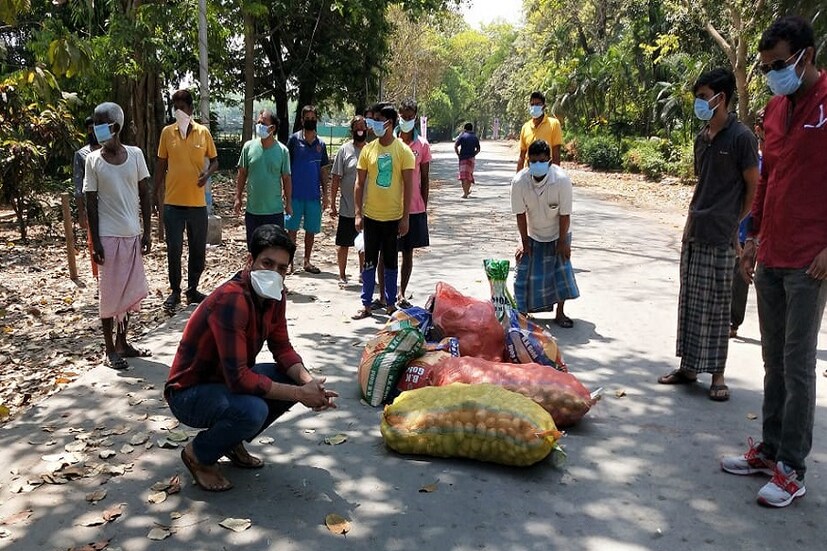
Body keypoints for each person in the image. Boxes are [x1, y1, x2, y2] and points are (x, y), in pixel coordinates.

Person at [721, 16, 827, 508]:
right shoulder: (773, 109)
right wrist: (752, 235)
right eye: (766, 67)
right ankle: (770, 450)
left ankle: (793, 468)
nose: (771, 73)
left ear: (806, 55)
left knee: (798, 364)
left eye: (778, 64)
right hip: (773, 252)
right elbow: (767, 179)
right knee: (772, 360)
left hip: (811, 260)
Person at [165, 224, 338, 492]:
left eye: (282, 268)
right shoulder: (231, 300)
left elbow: (281, 347)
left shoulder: (276, 294)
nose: (274, 273)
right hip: (188, 394)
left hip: (222, 383)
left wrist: (309, 383)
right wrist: (300, 394)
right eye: (267, 263)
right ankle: (198, 454)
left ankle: (229, 441)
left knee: (283, 376)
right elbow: (239, 379)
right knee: (253, 410)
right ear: (250, 261)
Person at [658, 68, 759, 402]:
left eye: (703, 96)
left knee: (716, 307)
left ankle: (717, 376)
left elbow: (752, 188)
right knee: (690, 302)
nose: (699, 103)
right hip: (694, 229)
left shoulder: (742, 138)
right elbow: (703, 182)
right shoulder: (702, 138)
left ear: (721, 98)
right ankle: (688, 368)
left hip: (720, 233)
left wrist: (734, 222)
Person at [83, 102, 152, 370]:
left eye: (101, 124)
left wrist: (146, 230)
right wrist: (96, 242)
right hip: (108, 238)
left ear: (115, 126)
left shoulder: (135, 155)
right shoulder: (93, 160)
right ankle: (110, 349)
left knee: (128, 293)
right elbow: (91, 203)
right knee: (109, 295)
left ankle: (123, 342)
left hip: (132, 235)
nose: (96, 129)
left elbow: (144, 194)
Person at [155, 89, 218, 310]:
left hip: (197, 204)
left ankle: (193, 289)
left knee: (197, 248)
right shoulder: (167, 133)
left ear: (191, 109)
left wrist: (207, 174)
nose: (179, 111)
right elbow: (161, 164)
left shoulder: (203, 133)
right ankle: (175, 291)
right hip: (173, 202)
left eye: (183, 107)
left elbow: (215, 161)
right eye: (176, 108)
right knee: (174, 248)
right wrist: (155, 193)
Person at [352, 102, 414, 319]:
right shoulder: (368, 150)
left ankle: (389, 303)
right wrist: (358, 213)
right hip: (371, 217)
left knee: (390, 262)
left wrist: (405, 218)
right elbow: (359, 183)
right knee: (369, 262)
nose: (373, 124)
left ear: (389, 123)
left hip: (393, 218)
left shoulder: (404, 152)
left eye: (377, 120)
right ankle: (366, 304)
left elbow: (409, 186)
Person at [511, 140, 578, 327]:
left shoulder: (562, 181)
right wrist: (523, 242)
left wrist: (563, 242)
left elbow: (565, 215)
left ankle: (560, 313)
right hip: (532, 232)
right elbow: (520, 214)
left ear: (549, 161)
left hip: (559, 231)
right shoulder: (519, 182)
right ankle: (522, 313)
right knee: (523, 273)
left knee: (560, 272)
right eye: (533, 161)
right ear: (527, 161)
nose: (537, 165)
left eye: (541, 161)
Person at [234, 109, 292, 247]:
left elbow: (286, 178)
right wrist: (238, 197)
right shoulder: (248, 147)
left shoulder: (283, 151)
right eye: (258, 122)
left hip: (274, 211)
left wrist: (288, 203)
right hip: (253, 211)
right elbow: (242, 173)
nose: (259, 125)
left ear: (272, 128)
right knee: (254, 249)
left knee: (273, 248)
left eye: (263, 122)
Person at [394, 98, 431, 306]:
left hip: (414, 207)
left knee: (407, 252)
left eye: (410, 116)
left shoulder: (423, 145)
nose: (406, 119)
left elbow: (425, 178)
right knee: (386, 251)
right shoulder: (391, 141)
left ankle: (402, 292)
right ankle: (386, 293)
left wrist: (423, 206)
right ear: (399, 115)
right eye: (403, 116)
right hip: (390, 206)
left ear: (415, 117)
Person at [730, 115, 763, 339]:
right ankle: (730, 321)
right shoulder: (751, 159)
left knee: (743, 278)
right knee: (734, 276)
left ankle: (733, 321)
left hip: (758, 229)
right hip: (740, 226)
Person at [286, 105, 329, 274]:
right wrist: (286, 194)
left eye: (313, 118)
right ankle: (289, 263)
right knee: (292, 231)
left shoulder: (321, 144)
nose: (310, 121)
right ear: (302, 120)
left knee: (310, 230)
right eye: (307, 118)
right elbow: (286, 169)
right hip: (295, 194)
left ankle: (307, 261)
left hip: (313, 196)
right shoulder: (294, 141)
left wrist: (326, 195)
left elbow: (323, 171)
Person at [330, 115, 367, 286]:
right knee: (343, 243)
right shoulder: (344, 150)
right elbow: (336, 178)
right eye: (357, 126)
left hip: (368, 208)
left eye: (363, 126)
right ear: (352, 130)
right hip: (347, 207)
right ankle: (342, 275)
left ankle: (363, 274)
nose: (360, 129)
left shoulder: (371, 150)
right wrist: (332, 203)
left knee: (364, 245)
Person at [73, 116, 102, 278]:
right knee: (94, 242)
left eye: (95, 128)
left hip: (111, 205)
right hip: (92, 207)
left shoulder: (110, 151)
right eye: (90, 128)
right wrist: (81, 214)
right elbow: (78, 186)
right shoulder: (81, 154)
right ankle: (98, 277)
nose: (93, 132)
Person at [517, 91, 563, 171]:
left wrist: (555, 176)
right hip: (529, 173)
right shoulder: (525, 127)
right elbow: (522, 155)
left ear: (543, 106)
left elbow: (556, 153)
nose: (535, 107)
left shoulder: (554, 124)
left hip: (547, 173)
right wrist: (518, 178)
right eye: (532, 104)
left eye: (538, 104)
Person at [454, 122, 480, 198]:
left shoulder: (462, 136)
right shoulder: (475, 137)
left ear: (465, 129)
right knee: (469, 175)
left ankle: (465, 193)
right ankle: (467, 191)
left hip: (463, 158)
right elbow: (478, 149)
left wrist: (458, 154)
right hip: (471, 159)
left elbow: (456, 146)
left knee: (463, 176)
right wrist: (473, 154)